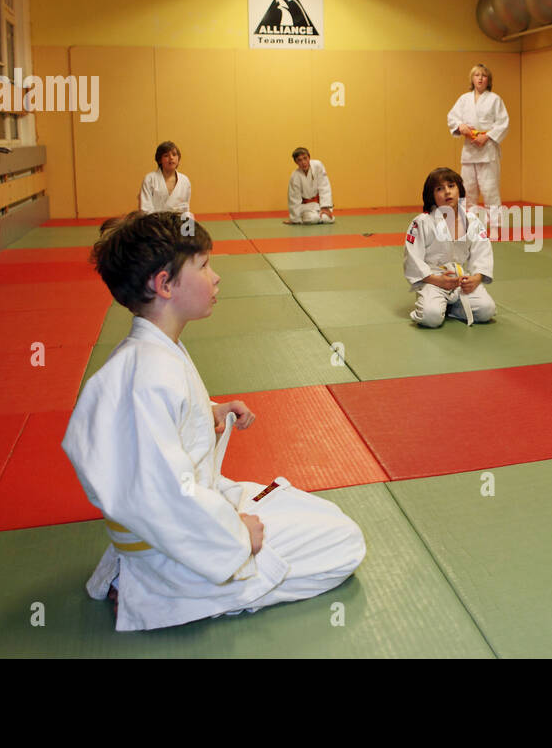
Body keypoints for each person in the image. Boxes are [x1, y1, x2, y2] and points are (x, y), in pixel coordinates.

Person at [62, 211, 366, 631]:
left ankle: (181, 573)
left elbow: (155, 439)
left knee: (308, 507)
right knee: (345, 543)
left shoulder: (151, 353)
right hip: (175, 549)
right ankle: (171, 597)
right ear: (165, 285)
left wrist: (207, 414)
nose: (216, 276)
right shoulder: (148, 371)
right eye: (204, 265)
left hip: (182, 521)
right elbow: (164, 492)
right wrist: (237, 538)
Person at [403, 167, 496, 327]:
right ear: (431, 195)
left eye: (451, 186)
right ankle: (433, 304)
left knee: (486, 310)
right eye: (439, 189)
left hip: (460, 280)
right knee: (430, 317)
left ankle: (451, 308)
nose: (447, 192)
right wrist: (436, 280)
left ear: (459, 189)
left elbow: (482, 253)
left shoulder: (472, 221)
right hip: (432, 280)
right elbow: (412, 259)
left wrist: (476, 278)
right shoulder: (422, 222)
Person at [446, 64, 509, 219]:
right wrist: (461, 126)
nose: (480, 78)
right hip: (469, 151)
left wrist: (487, 136)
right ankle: (468, 223)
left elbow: (503, 123)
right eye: (477, 75)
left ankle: (494, 226)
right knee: (467, 190)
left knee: (490, 190)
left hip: (488, 151)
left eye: (484, 75)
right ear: (472, 79)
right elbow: (452, 117)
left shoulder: (495, 99)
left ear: (489, 80)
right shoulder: (464, 99)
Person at [138, 141, 192, 217]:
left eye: (174, 154)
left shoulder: (185, 180)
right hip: (154, 221)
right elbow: (145, 209)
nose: (171, 158)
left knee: (191, 222)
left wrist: (187, 223)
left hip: (178, 221)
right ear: (159, 160)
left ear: (178, 158)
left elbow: (185, 209)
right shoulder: (150, 179)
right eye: (166, 155)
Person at [285, 147, 334, 224]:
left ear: (309, 157)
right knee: (312, 219)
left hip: (319, 204)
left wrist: (325, 207)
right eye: (299, 160)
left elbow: (324, 186)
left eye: (305, 158)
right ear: (296, 162)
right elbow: (294, 199)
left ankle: (320, 214)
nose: (303, 162)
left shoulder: (318, 166)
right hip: (305, 207)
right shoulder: (295, 176)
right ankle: (306, 217)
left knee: (327, 219)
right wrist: (295, 219)